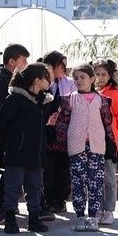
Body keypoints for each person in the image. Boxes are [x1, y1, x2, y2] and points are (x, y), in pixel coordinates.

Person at [49, 64, 117, 232]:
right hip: (76, 147)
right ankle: (80, 216)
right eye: (76, 78)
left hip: (97, 147)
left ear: (92, 79)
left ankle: (93, 217)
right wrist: (58, 146)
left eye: (83, 77)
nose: (79, 81)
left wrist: (112, 146)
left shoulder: (102, 100)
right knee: (78, 182)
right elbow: (62, 125)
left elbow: (107, 125)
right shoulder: (68, 99)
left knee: (95, 182)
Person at [0, 63, 53, 235]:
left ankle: (34, 218)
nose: (50, 82)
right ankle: (10, 220)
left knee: (35, 187)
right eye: (47, 78)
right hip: (16, 153)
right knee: (13, 187)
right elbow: (2, 126)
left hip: (36, 155)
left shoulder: (43, 102)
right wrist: (3, 151)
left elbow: (44, 129)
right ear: (37, 80)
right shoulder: (14, 100)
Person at [0, 43, 30, 224]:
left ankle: (11, 204)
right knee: (4, 171)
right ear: (12, 61)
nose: (27, 64)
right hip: (6, 134)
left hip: (19, 133)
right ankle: (1, 209)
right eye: (23, 60)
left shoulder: (19, 77)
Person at [94, 59, 118, 225]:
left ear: (109, 76)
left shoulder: (115, 94)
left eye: (103, 74)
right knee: (94, 178)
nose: (100, 78)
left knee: (108, 179)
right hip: (92, 143)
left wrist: (113, 136)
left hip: (109, 144)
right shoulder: (88, 93)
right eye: (97, 74)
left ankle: (108, 210)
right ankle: (96, 209)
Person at [41, 50, 74, 217]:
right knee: (48, 168)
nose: (63, 69)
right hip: (46, 132)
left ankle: (60, 200)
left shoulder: (70, 83)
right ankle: (47, 200)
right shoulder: (42, 82)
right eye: (60, 65)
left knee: (63, 168)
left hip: (65, 134)